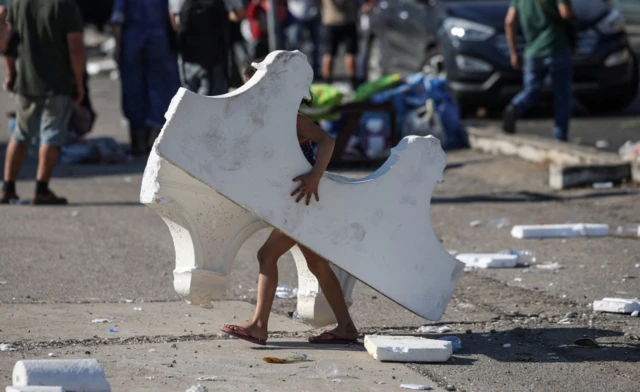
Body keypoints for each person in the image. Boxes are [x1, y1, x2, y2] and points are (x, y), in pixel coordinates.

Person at [220, 61, 359, 345]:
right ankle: (346, 327)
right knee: (317, 265)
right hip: (299, 202)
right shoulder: (264, 118)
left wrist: (315, 176)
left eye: (253, 87)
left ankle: (259, 325)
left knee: (267, 255)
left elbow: (327, 141)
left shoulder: (290, 118)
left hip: (302, 202)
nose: (249, 93)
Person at [1, 0, 85, 205]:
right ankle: (41, 189)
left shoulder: (19, 3)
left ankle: (7, 188)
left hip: (26, 81)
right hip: (58, 82)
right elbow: (75, 48)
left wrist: (11, 74)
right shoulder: (65, 5)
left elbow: (9, 42)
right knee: (52, 135)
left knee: (21, 134)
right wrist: (79, 82)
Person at [110, 0, 181, 156]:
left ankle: (139, 139)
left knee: (133, 89)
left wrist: (117, 46)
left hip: (132, 39)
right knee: (161, 87)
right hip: (159, 38)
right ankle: (156, 136)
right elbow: (172, 13)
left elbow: (118, 18)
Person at [503, 0, 574, 141]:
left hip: (532, 52)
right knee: (562, 96)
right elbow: (565, 14)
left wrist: (514, 53)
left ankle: (514, 106)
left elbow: (509, 22)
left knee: (531, 89)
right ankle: (560, 137)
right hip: (557, 48)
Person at [169, 0, 231, 96]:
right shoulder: (215, 3)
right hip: (212, 61)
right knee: (213, 98)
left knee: (190, 97)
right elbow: (223, 31)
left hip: (189, 60)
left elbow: (180, 31)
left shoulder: (184, 3)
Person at [321, 0, 373, 89]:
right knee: (350, 54)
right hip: (347, 20)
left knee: (329, 54)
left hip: (331, 20)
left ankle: (327, 83)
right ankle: (353, 83)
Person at [287, 0, 321, 77]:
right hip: (294, 18)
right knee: (294, 45)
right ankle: (295, 70)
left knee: (314, 45)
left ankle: (316, 71)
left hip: (311, 17)